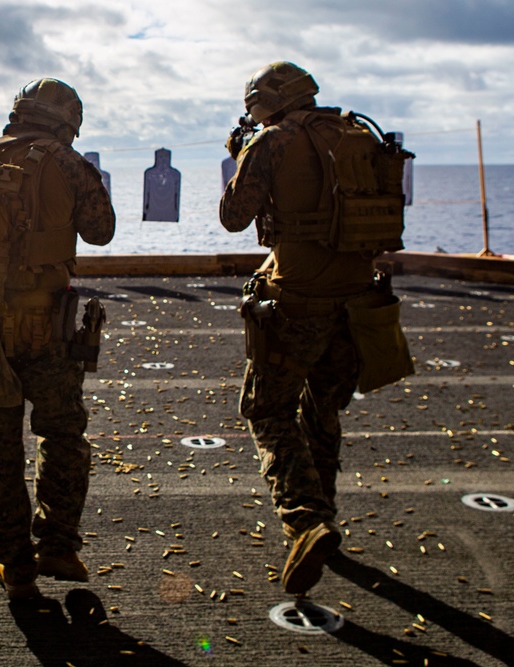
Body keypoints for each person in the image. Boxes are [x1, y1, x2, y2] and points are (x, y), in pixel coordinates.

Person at [219, 62, 412, 595]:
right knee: (322, 412)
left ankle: (306, 520)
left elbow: (235, 216)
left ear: (266, 102)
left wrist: (243, 155)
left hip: (296, 302)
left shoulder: (272, 142)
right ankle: (325, 516)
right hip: (355, 301)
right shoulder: (357, 134)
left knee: (268, 410)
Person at [0, 78, 115, 599]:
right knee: (61, 436)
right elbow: (101, 230)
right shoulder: (68, 162)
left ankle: (14, 566)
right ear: (67, 121)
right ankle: (57, 542)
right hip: (44, 330)